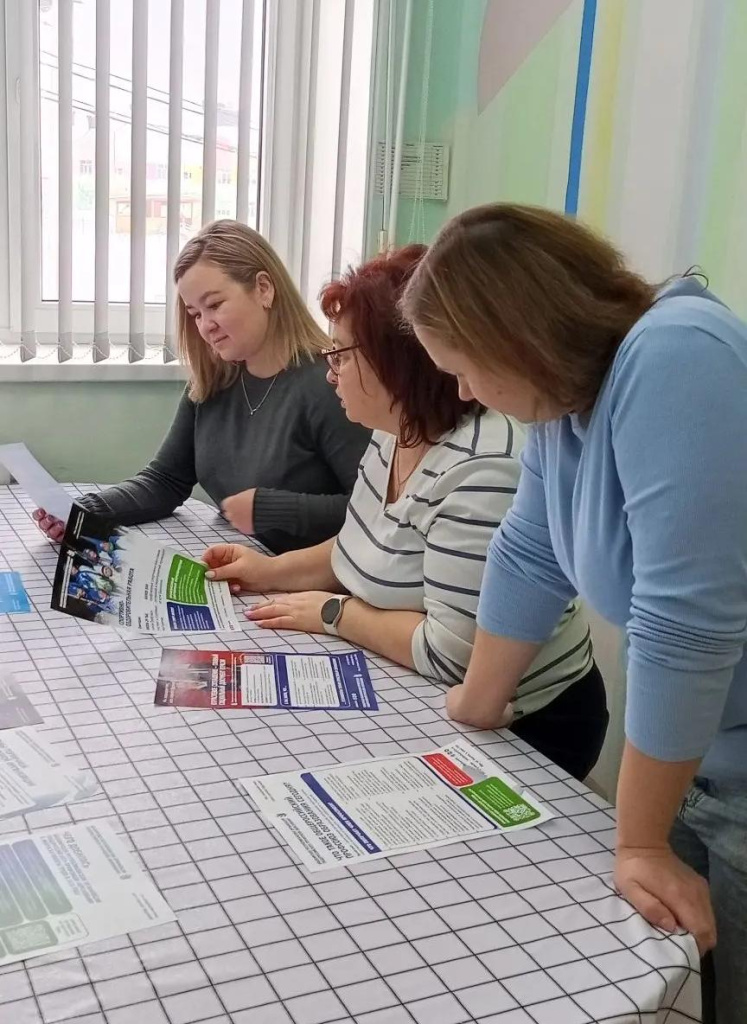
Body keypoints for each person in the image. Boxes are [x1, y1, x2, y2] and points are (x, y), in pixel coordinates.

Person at [402, 202, 747, 1023]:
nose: (463, 392)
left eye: (463, 369)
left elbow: (683, 624)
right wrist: (477, 700)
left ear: (515, 338)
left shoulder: (676, 355)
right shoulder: (565, 406)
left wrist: (638, 841)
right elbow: (530, 552)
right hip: (696, 763)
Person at [201, 245, 607, 780]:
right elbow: (364, 544)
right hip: (435, 690)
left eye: (341, 356)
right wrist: (269, 572)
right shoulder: (396, 429)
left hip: (532, 724)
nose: (330, 374)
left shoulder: (482, 468)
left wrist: (335, 614)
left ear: (400, 362)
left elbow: (450, 656)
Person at [34, 220, 370, 554]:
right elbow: (165, 480)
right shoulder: (214, 379)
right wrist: (82, 511)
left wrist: (273, 509)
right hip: (240, 561)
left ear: (264, 289)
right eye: (195, 313)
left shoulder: (331, 384)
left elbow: (374, 513)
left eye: (215, 305)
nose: (206, 326)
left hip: (310, 574)